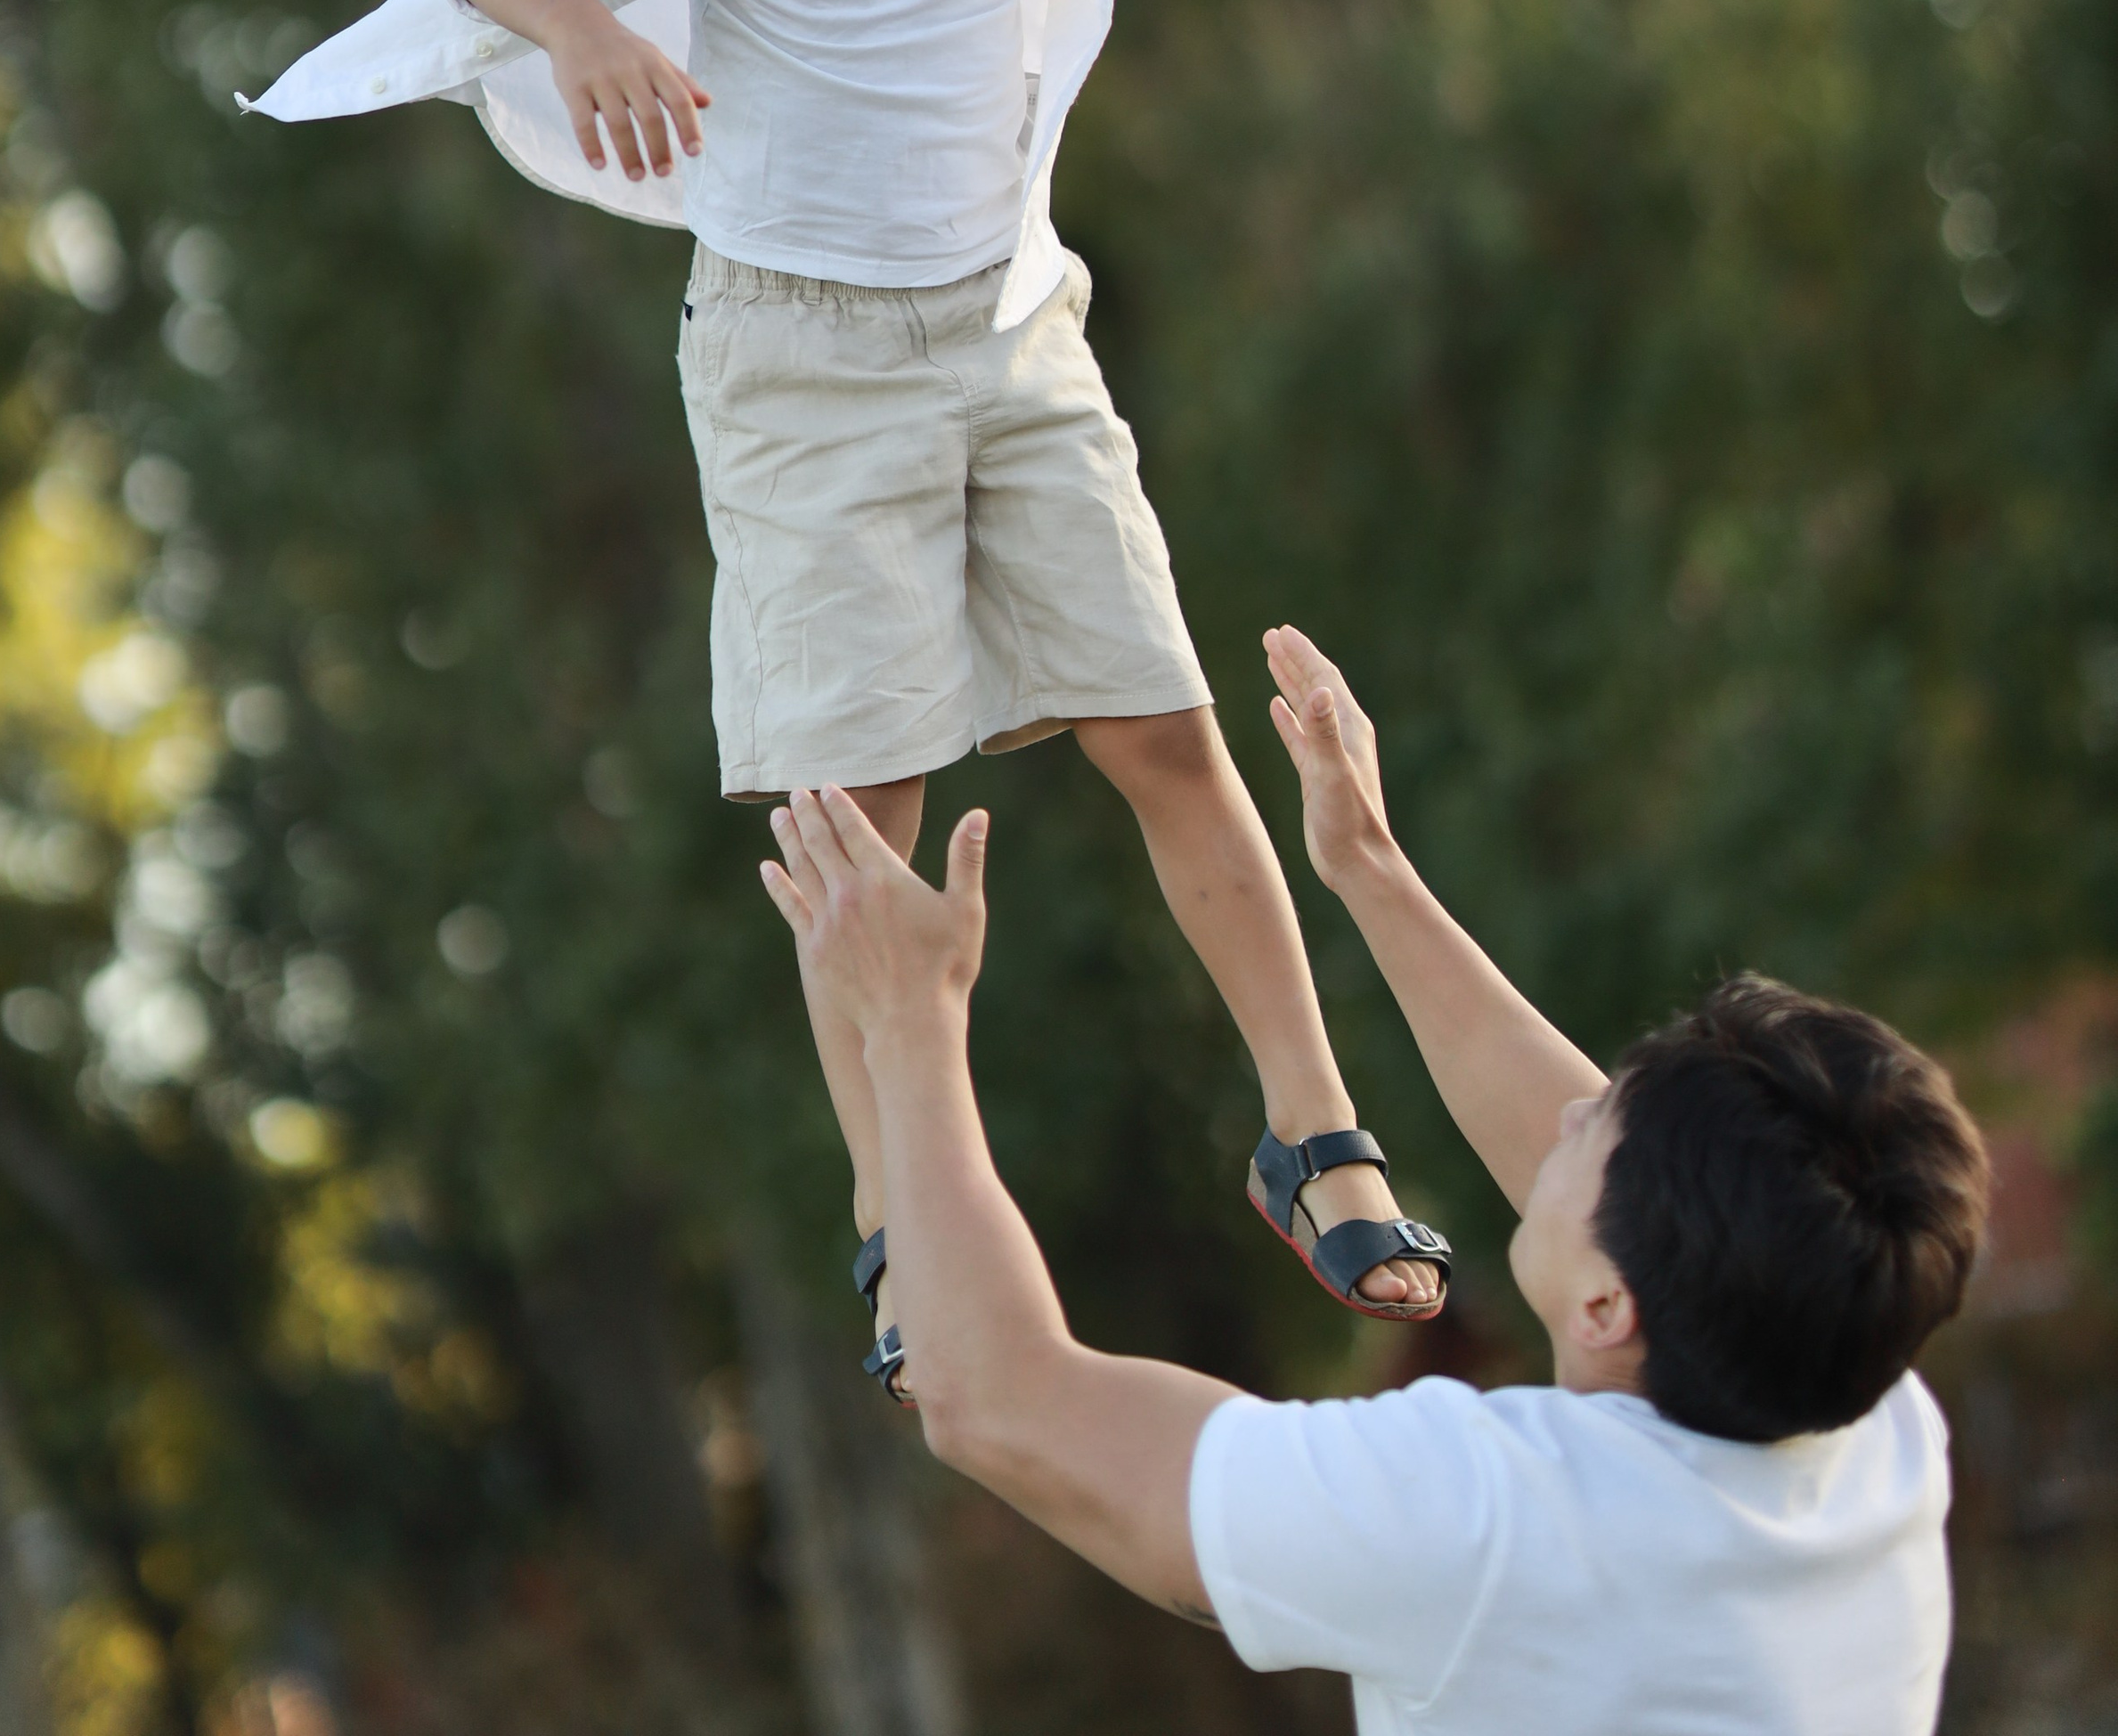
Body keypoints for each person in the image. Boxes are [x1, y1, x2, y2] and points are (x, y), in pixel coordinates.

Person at [248, 0, 1698, 1386]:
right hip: (795, 355)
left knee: (1166, 730)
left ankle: (1308, 1128)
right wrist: (584, 32)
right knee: (863, 824)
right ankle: (891, 1200)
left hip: (1012, 327)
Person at [759, 623, 1991, 1735]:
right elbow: (1643, 1201)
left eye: (1588, 1128)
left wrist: (913, 1029)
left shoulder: (1489, 1524)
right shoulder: (1862, 1413)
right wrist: (1369, 867)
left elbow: (1002, 1404)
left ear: (1610, 1309)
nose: (1557, 1115)